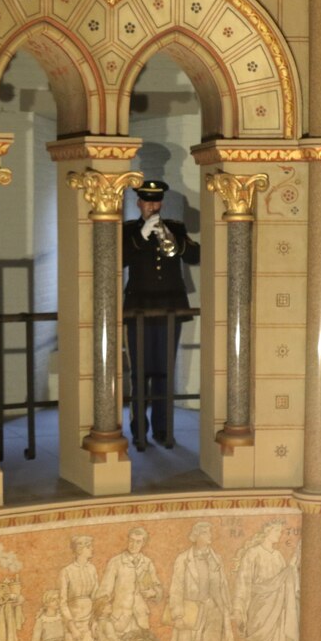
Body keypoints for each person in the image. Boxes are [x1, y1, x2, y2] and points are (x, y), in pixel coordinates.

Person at [122, 179, 200, 449]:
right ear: (138, 203)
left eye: (156, 202)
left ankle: (164, 431)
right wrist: (143, 234)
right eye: (147, 201)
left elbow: (195, 256)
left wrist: (173, 238)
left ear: (161, 203)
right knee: (139, 373)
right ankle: (139, 432)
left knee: (165, 371)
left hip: (170, 307)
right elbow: (118, 258)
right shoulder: (129, 231)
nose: (151, 206)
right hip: (138, 309)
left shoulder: (175, 228)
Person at [232, 520, 298, 641]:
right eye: (277, 532)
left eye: (281, 532)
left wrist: (291, 569)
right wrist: (239, 610)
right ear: (267, 532)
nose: (280, 535)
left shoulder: (278, 556)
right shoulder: (253, 554)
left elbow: (283, 583)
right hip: (259, 611)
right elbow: (243, 584)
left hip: (276, 613)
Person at [167, 522, 233, 641]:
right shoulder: (183, 559)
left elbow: (223, 587)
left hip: (214, 611)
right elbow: (176, 589)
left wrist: (227, 615)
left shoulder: (217, 559)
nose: (210, 536)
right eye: (206, 533)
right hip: (191, 612)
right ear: (197, 536)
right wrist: (177, 615)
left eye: (209, 532)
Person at [97, 528, 162, 641]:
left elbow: (158, 588)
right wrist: (101, 612)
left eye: (138, 541)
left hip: (140, 619)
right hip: (119, 618)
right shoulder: (116, 562)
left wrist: (152, 593)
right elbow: (104, 591)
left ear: (143, 543)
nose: (133, 544)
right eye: (131, 540)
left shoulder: (147, 563)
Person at [59, 535, 99, 641]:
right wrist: (72, 627)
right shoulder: (67, 571)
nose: (92, 549)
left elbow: (96, 598)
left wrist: (94, 622)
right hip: (74, 623)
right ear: (81, 549)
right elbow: (62, 603)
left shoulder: (92, 569)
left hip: (89, 624)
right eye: (89, 547)